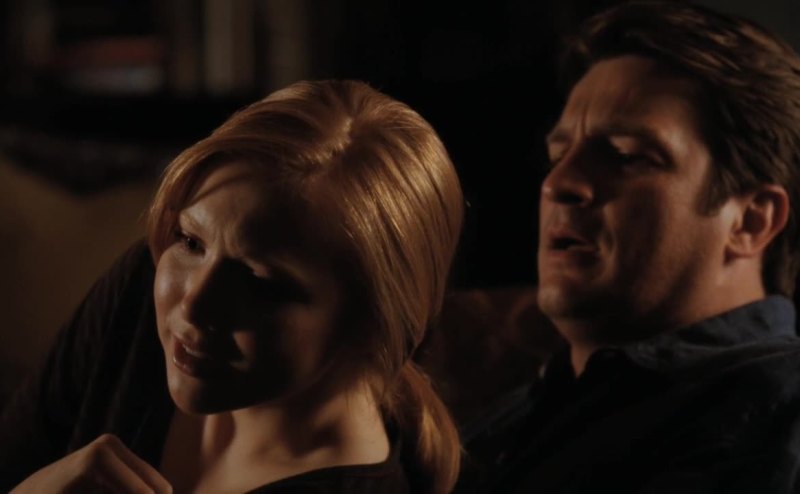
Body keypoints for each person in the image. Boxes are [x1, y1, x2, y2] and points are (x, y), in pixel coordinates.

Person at [0, 80, 464, 493]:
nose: (193, 305)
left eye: (261, 282)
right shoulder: (139, 289)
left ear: (370, 325)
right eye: (191, 241)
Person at [459, 1, 800, 492]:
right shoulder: (508, 421)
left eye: (626, 156)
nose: (558, 183)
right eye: (558, 155)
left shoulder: (776, 413)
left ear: (751, 220)